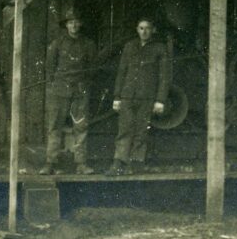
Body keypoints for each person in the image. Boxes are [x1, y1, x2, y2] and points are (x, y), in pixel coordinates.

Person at [107, 18, 169, 176]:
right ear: (137, 29)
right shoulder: (130, 46)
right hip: (128, 95)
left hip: (147, 97)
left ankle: (135, 163)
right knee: (124, 129)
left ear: (153, 30)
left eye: (147, 28)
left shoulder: (159, 48)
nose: (144, 32)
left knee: (141, 130)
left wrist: (160, 100)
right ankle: (119, 162)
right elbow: (122, 72)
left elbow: (164, 76)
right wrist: (117, 96)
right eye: (141, 28)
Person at [40, 9, 97, 175]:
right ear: (66, 25)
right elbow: (50, 67)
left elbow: (92, 68)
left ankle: (81, 164)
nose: (74, 25)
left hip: (79, 90)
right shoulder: (57, 43)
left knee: (81, 126)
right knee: (54, 126)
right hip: (59, 90)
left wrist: (82, 83)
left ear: (81, 24)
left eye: (76, 22)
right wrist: (57, 84)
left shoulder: (88, 44)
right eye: (70, 22)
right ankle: (50, 163)